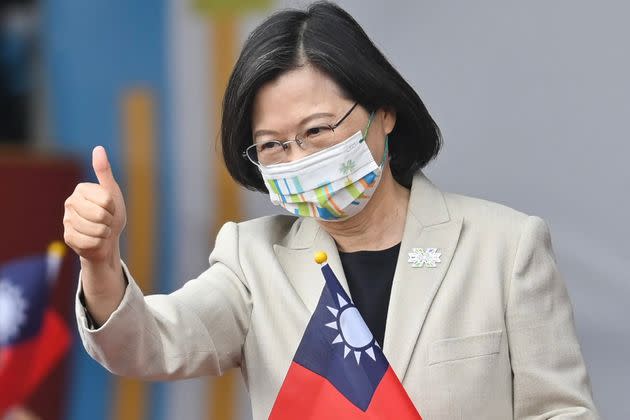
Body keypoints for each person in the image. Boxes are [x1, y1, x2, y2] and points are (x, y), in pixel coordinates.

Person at [62, 2, 599, 419]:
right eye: (273, 145)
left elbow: (561, 410)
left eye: (317, 131)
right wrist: (100, 262)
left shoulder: (504, 247)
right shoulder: (253, 261)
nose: (299, 159)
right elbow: (151, 346)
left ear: (383, 113)